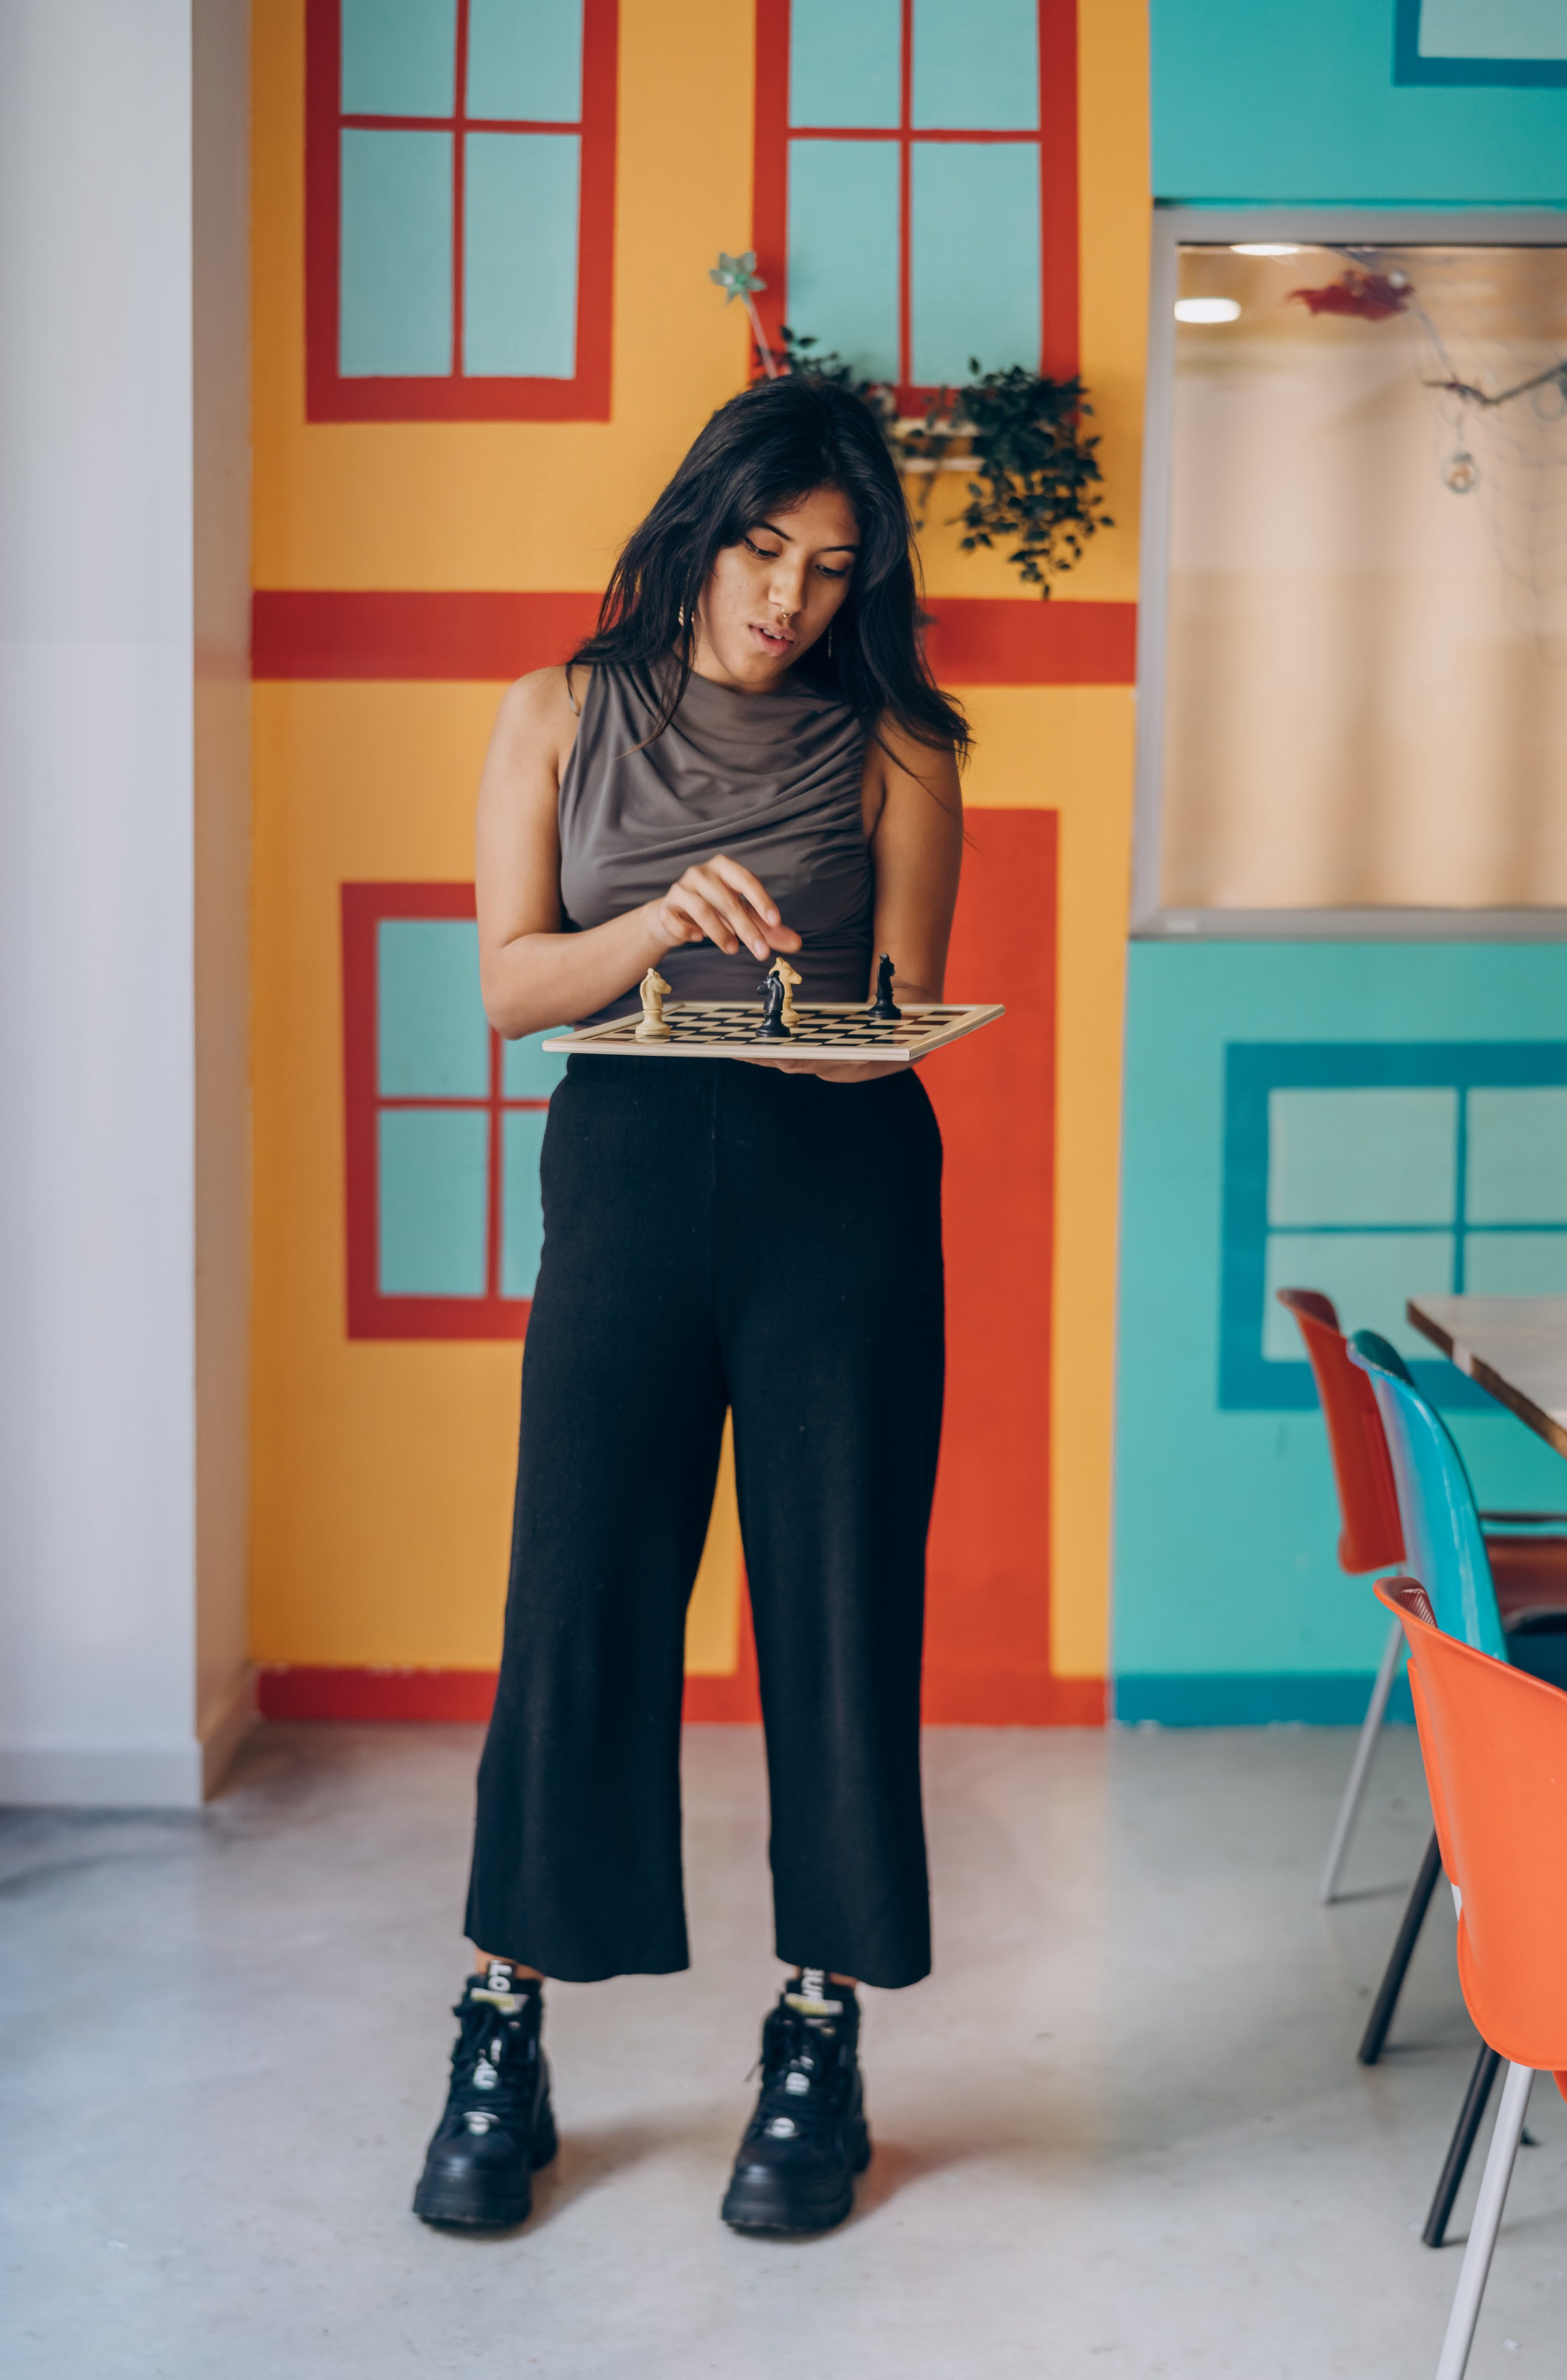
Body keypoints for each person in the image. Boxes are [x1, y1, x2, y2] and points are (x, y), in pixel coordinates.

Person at [412, 372, 966, 2237]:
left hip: (842, 1195)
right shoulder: (556, 711)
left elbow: (903, 1003)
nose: (788, 597)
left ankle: (818, 2036)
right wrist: (658, 923)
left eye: (829, 567)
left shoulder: (896, 747)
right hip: (632, 1179)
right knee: (578, 1592)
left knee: (836, 1609)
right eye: (762, 546)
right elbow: (506, 990)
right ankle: (505, 2022)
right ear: (699, 523)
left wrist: (849, 1050)